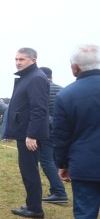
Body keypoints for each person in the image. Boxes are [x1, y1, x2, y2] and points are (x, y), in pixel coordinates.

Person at [53, 44, 100, 219]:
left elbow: (61, 135)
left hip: (85, 165)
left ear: (74, 67)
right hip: (85, 164)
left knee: (85, 218)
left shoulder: (67, 95)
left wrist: (62, 164)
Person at [5, 47, 49, 219]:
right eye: (16, 59)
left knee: (30, 170)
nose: (18, 63)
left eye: (22, 59)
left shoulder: (36, 78)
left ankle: (35, 208)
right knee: (27, 170)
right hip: (23, 131)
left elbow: (39, 109)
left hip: (28, 134)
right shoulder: (27, 77)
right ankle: (32, 203)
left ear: (33, 59)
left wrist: (31, 135)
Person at [37, 67, 69, 204]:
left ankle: (58, 191)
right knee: (55, 159)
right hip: (61, 129)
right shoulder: (63, 90)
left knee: (46, 160)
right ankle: (56, 189)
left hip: (47, 129)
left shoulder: (41, 90)